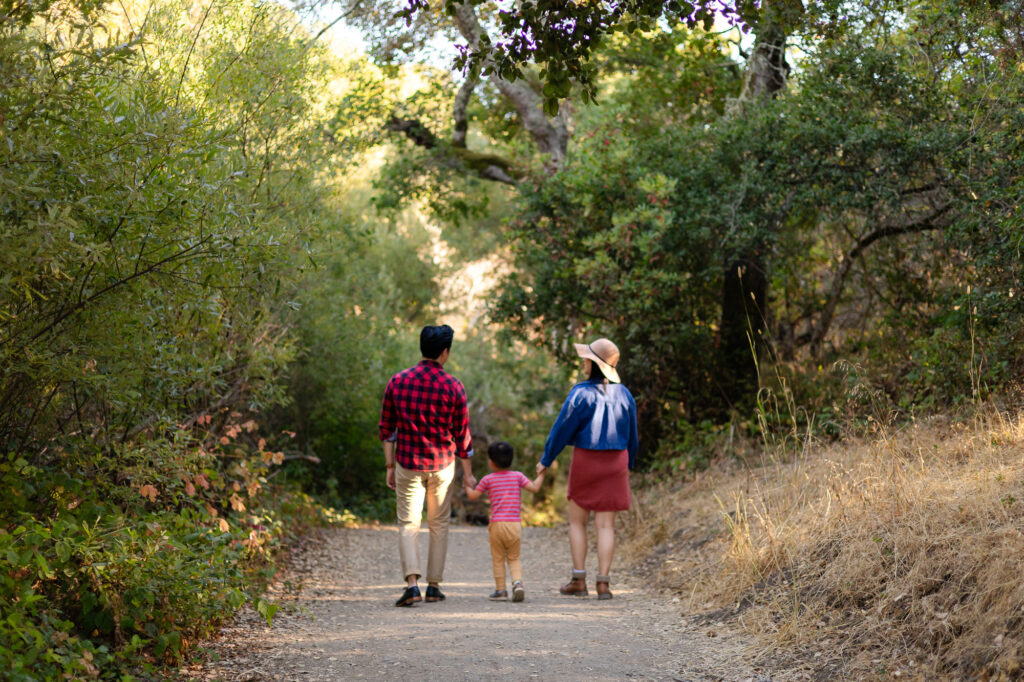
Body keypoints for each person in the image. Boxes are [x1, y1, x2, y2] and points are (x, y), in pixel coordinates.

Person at [379, 324, 476, 607]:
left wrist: (389, 465)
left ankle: (412, 584)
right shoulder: (454, 386)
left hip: (407, 463)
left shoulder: (398, 381)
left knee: (409, 523)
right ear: (445, 353)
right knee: (439, 524)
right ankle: (434, 586)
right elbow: (463, 436)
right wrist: (468, 474)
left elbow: (387, 428)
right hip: (442, 465)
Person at [536, 337, 639, 600]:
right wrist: (631, 463)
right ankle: (603, 584)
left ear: (592, 363)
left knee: (577, 522)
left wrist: (547, 459)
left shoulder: (580, 394)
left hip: (586, 461)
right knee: (606, 526)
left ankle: (578, 580)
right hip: (616, 461)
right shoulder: (625, 394)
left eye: (586, 358)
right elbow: (633, 435)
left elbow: (561, 429)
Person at [464, 441, 546, 602]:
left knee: (498, 558)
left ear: (491, 462)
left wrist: (467, 485)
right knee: (514, 557)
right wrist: (542, 473)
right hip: (514, 524)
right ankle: (517, 583)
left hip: (496, 525)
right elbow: (535, 488)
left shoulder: (488, 480)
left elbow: (472, 496)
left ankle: (501, 590)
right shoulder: (518, 476)